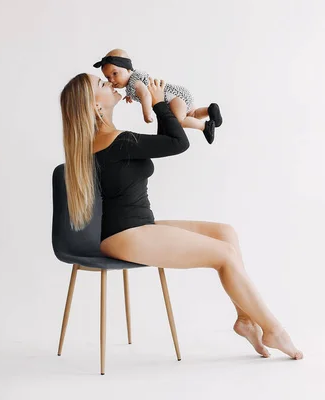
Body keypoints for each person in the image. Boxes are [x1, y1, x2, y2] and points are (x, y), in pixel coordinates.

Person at [59, 72, 303, 360]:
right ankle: (273, 329)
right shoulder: (118, 140)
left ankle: (246, 320)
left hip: (136, 227)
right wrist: (160, 103)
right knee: (224, 254)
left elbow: (167, 139)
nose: (111, 82)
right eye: (102, 84)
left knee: (225, 233)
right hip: (125, 235)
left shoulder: (109, 140)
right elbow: (177, 143)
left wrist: (155, 106)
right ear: (96, 107)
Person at [93, 48, 222, 144]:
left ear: (128, 69)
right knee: (192, 114)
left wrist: (146, 113)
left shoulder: (134, 81)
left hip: (172, 97)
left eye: (115, 74)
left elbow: (145, 95)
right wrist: (129, 96)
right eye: (108, 77)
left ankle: (205, 126)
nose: (111, 80)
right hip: (179, 94)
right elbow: (139, 92)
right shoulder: (132, 84)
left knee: (179, 121)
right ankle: (209, 110)